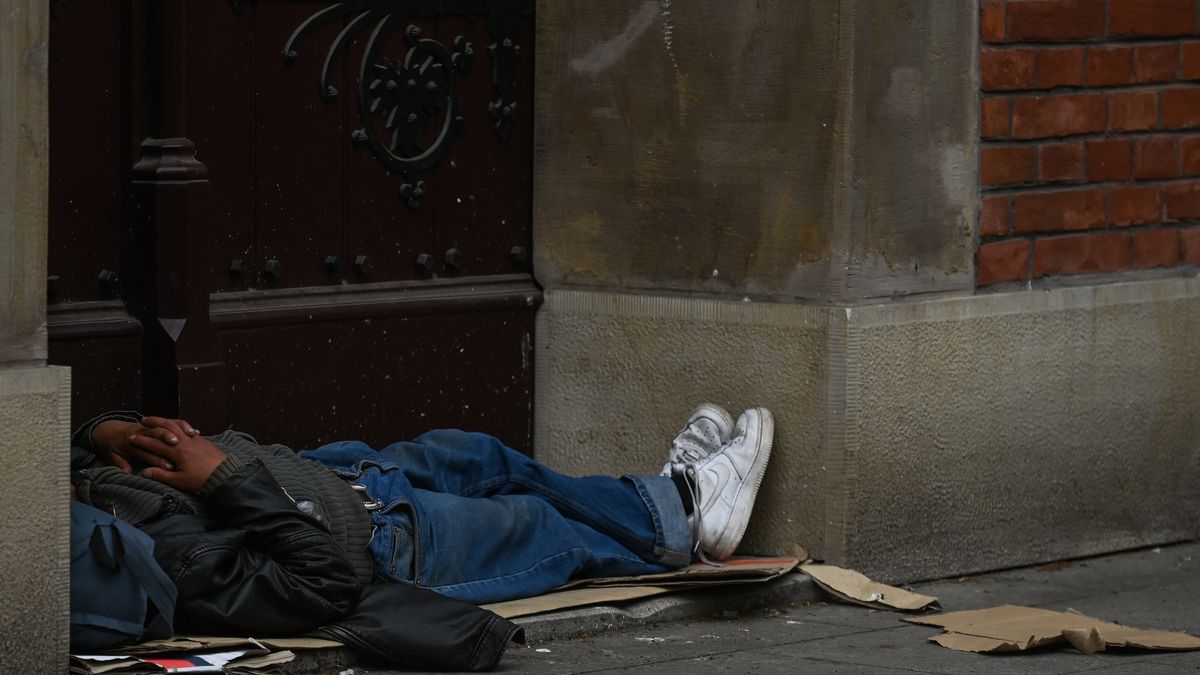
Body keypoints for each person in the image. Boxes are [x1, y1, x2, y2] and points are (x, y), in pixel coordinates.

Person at [70, 404, 773, 667]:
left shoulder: (74, 494)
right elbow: (322, 581)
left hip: (339, 473)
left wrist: (105, 430)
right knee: (541, 527)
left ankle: (666, 507)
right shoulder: (161, 559)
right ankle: (687, 510)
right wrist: (224, 477)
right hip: (389, 542)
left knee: (482, 453)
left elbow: (63, 443)